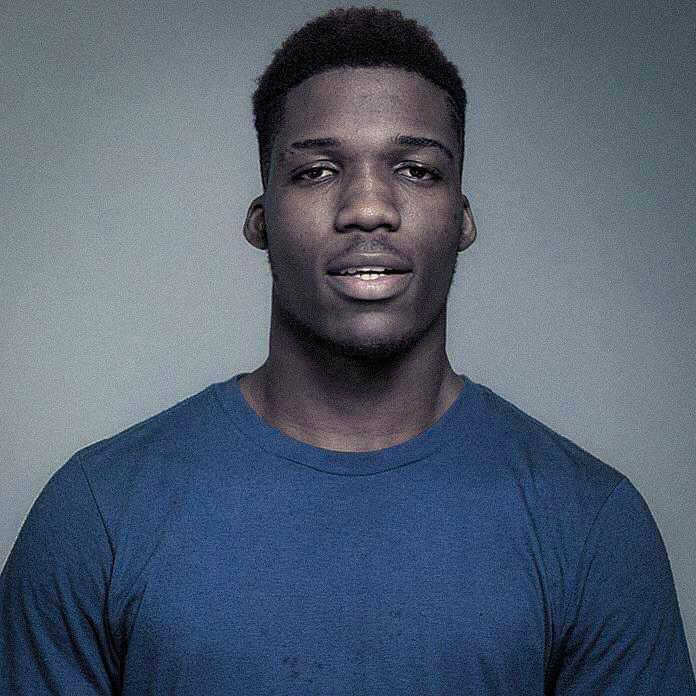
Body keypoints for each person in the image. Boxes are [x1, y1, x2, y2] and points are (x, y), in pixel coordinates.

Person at [1, 6, 694, 695]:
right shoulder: (98, 513)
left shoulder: (589, 523)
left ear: (463, 218)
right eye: (317, 171)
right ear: (261, 219)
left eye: (416, 170)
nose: (368, 207)